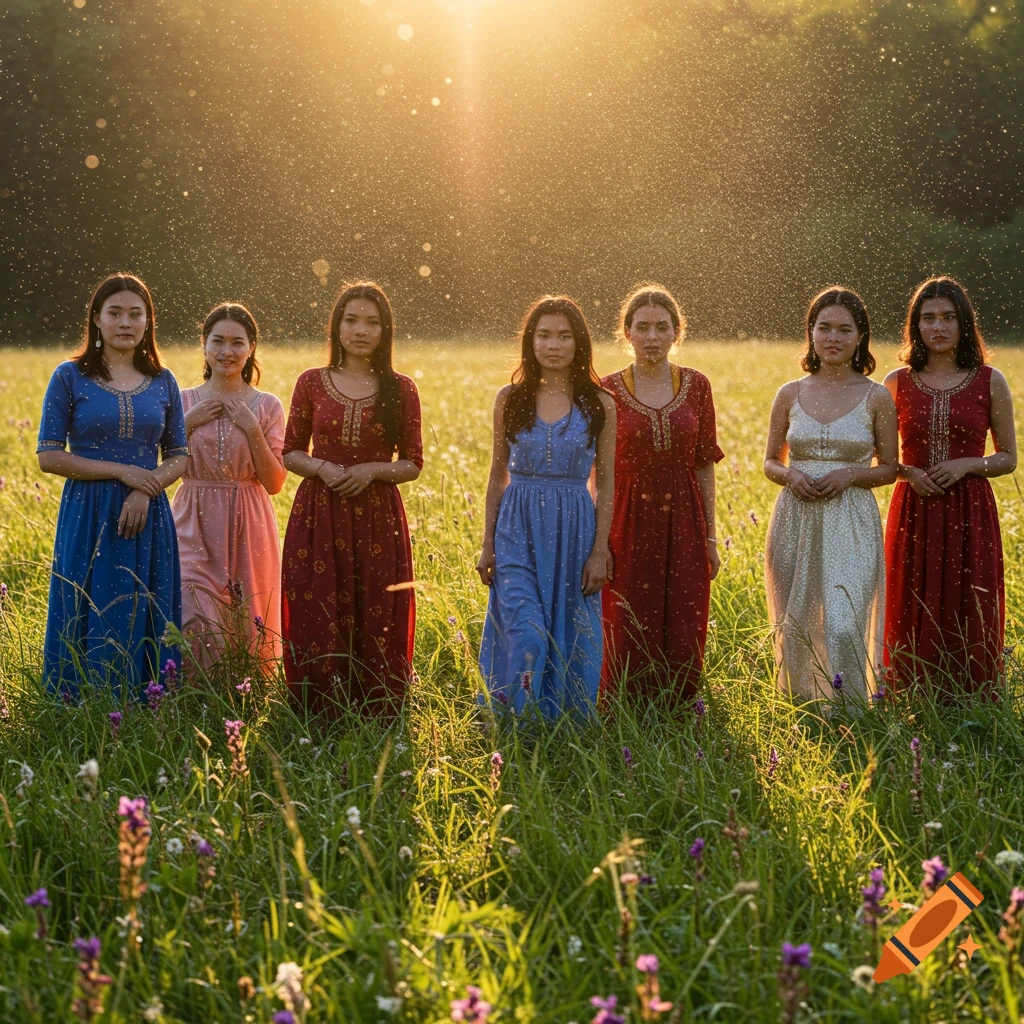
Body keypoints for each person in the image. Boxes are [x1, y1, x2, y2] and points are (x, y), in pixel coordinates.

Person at [36, 273, 189, 697]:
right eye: (115, 313)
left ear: (148, 322)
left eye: (135, 314)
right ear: (97, 320)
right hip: (88, 512)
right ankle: (78, 701)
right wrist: (120, 472)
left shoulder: (163, 380)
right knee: (88, 602)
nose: (126, 322)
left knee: (145, 602)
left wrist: (145, 487)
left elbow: (180, 454)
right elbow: (49, 455)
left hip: (149, 514)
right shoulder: (69, 376)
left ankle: (148, 702)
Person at [281, 282, 422, 715]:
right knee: (318, 601)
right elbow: (289, 452)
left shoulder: (401, 388)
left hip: (378, 516)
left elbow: (413, 463)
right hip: (318, 512)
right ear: (336, 326)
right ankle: (317, 703)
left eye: (372, 322)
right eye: (351, 320)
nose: (361, 330)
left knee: (377, 606)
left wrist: (372, 472)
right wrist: (323, 468)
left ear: (385, 331)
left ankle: (376, 705)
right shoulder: (312, 382)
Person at [477, 296, 616, 718]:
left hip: (575, 529)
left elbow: (606, 481)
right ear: (530, 342)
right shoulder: (511, 398)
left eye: (563, 336)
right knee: (528, 634)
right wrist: (487, 544)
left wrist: (599, 549)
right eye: (543, 335)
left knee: (571, 633)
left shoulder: (599, 403)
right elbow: (497, 471)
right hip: (516, 527)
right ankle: (511, 727)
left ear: (579, 344)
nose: (553, 344)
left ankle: (562, 730)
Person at [883, 277, 1016, 700]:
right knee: (911, 595)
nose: (937, 327)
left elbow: (1008, 457)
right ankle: (910, 691)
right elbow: (879, 458)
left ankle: (971, 695)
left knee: (970, 598)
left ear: (964, 324)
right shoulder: (896, 382)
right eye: (927, 318)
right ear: (915, 326)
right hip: (914, 506)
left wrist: (967, 465)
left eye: (947, 317)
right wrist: (908, 472)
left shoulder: (989, 379)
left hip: (970, 509)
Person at [763, 287, 897, 700]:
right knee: (798, 620)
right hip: (795, 517)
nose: (833, 338)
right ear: (811, 333)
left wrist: (852, 475)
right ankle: (800, 708)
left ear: (860, 337)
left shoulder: (877, 396)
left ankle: (851, 711)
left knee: (843, 622)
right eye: (824, 328)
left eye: (844, 329)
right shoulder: (789, 392)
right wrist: (789, 477)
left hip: (851, 516)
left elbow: (891, 468)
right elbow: (770, 461)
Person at [600, 285, 723, 705]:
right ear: (627, 333)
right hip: (626, 518)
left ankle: (680, 704)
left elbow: (704, 462)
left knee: (685, 613)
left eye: (662, 327)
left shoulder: (698, 385)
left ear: (677, 332)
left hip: (685, 517)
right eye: (643, 327)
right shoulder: (605, 390)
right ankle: (626, 706)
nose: (652, 336)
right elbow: (596, 471)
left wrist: (710, 535)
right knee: (626, 614)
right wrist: (598, 541)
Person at [171, 303, 286, 671]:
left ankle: (241, 694)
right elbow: (161, 468)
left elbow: (274, 483)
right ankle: (191, 697)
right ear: (203, 344)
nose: (227, 351)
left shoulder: (267, 405)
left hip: (248, 518)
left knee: (248, 616)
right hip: (192, 515)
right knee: (193, 610)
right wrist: (185, 424)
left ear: (251, 347)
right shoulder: (182, 400)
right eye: (217, 341)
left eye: (237, 342)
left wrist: (252, 428)